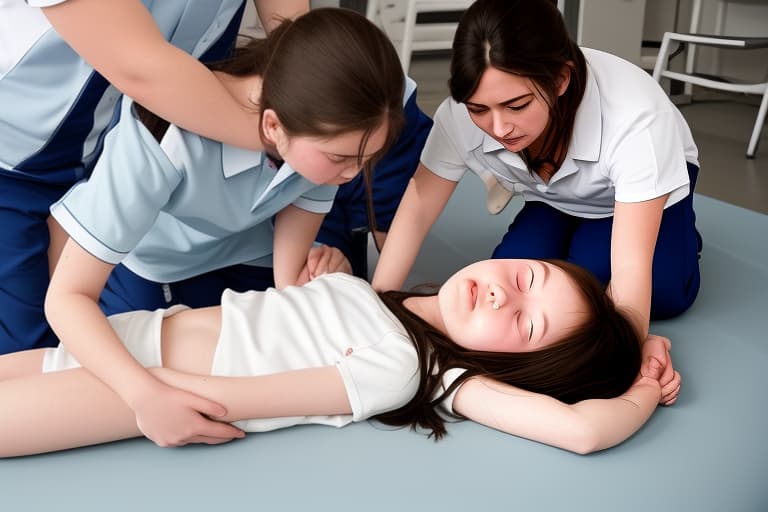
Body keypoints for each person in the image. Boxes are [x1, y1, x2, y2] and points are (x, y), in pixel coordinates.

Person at [44, 8, 406, 450]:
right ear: (273, 126)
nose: (353, 174)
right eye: (341, 159)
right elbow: (65, 300)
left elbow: (288, 269)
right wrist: (144, 396)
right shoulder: (161, 140)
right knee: (100, 385)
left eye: (365, 159)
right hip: (155, 268)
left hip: (242, 252)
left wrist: (310, 290)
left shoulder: (330, 141)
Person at [0, 258, 677, 458]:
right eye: (529, 278)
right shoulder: (386, 295)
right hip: (131, 336)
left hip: (131, 387)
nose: (504, 294)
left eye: (526, 326)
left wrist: (644, 382)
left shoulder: (413, 369)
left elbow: (583, 432)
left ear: (520, 366)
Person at [372, 0, 702, 348]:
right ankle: (573, 226)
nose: (499, 127)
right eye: (479, 109)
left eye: (516, 106)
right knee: (505, 274)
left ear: (561, 79)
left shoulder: (636, 119)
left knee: (636, 293)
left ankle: (680, 236)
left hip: (640, 193)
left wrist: (628, 358)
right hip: (550, 193)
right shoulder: (459, 113)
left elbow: (630, 268)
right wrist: (379, 301)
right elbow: (419, 205)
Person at [0, 0, 309, 353]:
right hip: (15, 155)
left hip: (143, 141)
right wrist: (300, 135)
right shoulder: (280, 139)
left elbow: (299, 38)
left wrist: (309, 86)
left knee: (110, 348)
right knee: (25, 358)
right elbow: (139, 68)